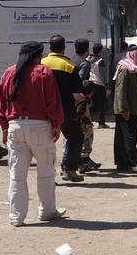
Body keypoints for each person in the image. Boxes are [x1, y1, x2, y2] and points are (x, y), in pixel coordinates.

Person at [0, 41, 66, 226]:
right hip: (40, 127)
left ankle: (16, 216)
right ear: (37, 55)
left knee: (17, 175)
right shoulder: (44, 72)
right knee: (46, 172)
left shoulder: (9, 72)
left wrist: (3, 126)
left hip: (15, 127)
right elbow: (53, 101)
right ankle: (47, 210)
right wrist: (56, 124)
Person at [41, 35, 86, 182]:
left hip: (43, 109)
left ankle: (48, 175)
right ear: (64, 47)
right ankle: (69, 169)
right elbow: (78, 88)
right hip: (64, 109)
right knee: (75, 137)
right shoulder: (69, 65)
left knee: (46, 142)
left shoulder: (41, 63)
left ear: (50, 47)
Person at [112, 44, 137, 173]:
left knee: (124, 136)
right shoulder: (125, 69)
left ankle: (123, 164)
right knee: (129, 137)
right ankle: (133, 163)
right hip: (126, 110)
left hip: (132, 108)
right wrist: (124, 109)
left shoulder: (133, 68)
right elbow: (120, 91)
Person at [72, 38, 100, 173]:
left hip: (71, 100)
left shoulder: (71, 60)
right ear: (87, 50)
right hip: (81, 100)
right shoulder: (84, 63)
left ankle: (81, 159)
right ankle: (84, 159)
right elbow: (81, 81)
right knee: (87, 130)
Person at [87, 43, 109, 129]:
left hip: (89, 83)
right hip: (99, 84)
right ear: (100, 50)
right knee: (102, 104)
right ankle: (101, 123)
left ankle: (89, 122)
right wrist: (106, 84)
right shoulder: (100, 61)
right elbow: (102, 74)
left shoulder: (87, 59)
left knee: (90, 103)